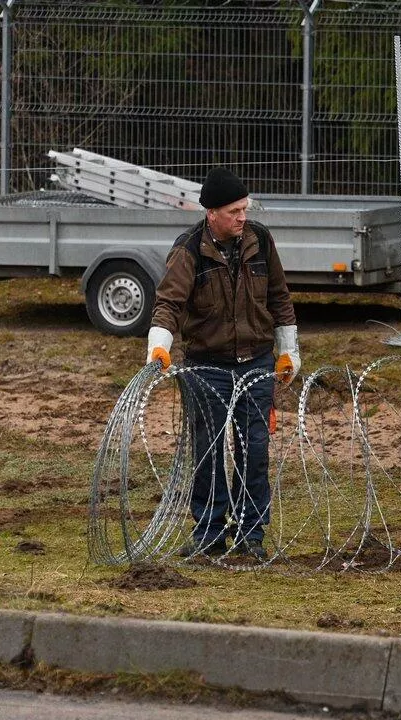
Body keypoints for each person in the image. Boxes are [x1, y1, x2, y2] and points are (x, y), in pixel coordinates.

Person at [146, 167, 301, 561]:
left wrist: (288, 349)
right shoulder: (188, 250)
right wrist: (159, 347)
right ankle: (209, 532)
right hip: (206, 366)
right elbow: (169, 304)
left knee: (255, 448)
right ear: (211, 213)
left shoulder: (260, 241)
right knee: (208, 451)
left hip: (257, 363)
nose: (242, 217)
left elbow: (280, 297)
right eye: (234, 211)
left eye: (245, 209)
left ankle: (251, 534)